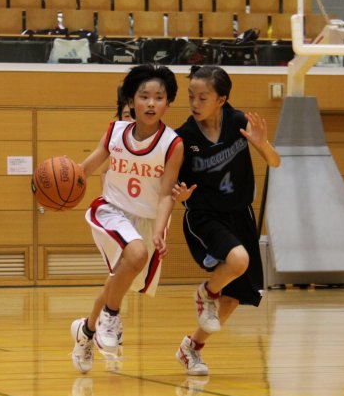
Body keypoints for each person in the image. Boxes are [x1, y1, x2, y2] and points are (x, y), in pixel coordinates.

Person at [70, 64, 183, 373]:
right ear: (131, 101)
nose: (151, 103)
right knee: (135, 254)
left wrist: (160, 229)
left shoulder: (172, 144)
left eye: (158, 97)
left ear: (168, 103)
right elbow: (87, 168)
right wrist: (65, 179)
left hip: (146, 220)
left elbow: (165, 194)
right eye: (144, 96)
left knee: (118, 282)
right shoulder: (115, 132)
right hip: (112, 211)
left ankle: (86, 331)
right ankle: (111, 316)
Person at [172, 65, 281, 375]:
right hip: (204, 216)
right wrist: (179, 193)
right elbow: (172, 185)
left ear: (221, 99)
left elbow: (275, 162)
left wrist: (262, 144)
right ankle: (206, 293)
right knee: (238, 260)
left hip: (240, 215)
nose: (195, 103)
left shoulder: (239, 122)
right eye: (191, 96)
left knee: (232, 300)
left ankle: (191, 349)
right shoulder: (183, 137)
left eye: (202, 97)